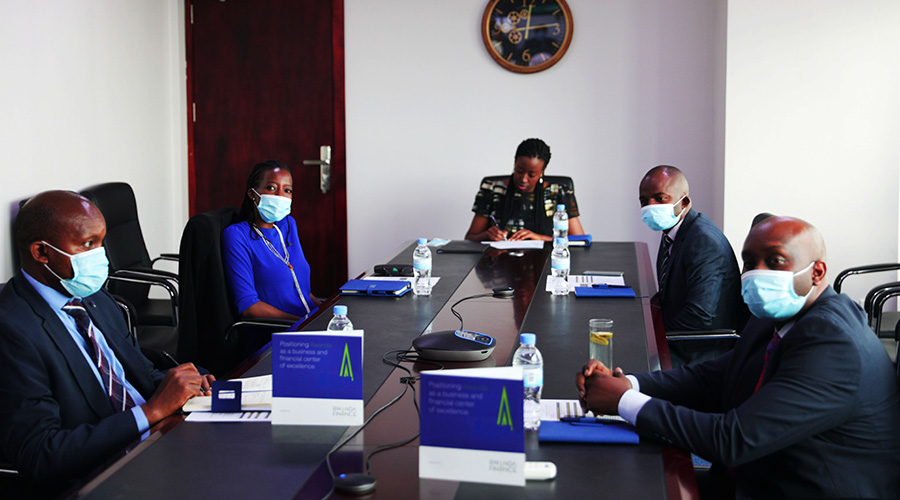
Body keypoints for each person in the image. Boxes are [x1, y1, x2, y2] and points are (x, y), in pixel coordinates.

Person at [576, 216, 900, 499]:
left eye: (775, 261)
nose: (756, 274)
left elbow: (731, 440)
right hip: (753, 478)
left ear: (817, 272)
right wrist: (626, 382)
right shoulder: (775, 317)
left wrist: (624, 401)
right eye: (749, 261)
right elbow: (711, 378)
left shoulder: (834, 344)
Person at [0, 191, 214, 487]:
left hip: (161, 439)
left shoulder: (93, 297)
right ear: (41, 252)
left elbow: (136, 374)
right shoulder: (11, 328)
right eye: (88, 244)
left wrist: (185, 384)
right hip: (107, 473)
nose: (101, 256)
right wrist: (151, 411)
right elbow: (40, 454)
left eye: (101, 242)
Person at [639, 165, 747, 333]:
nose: (650, 206)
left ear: (684, 202)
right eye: (644, 202)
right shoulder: (674, 230)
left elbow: (699, 316)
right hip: (677, 332)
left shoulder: (703, 242)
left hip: (697, 347)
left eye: (660, 199)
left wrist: (653, 336)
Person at [223, 160, 320, 321]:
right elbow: (248, 306)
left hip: (306, 324)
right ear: (252, 193)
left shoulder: (288, 225)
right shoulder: (237, 235)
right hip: (275, 332)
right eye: (271, 188)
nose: (280, 196)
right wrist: (303, 323)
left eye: (287, 190)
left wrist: (324, 312)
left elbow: (298, 287)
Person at [465, 138, 585, 241]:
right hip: (499, 264)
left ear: (543, 170)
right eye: (519, 171)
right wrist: (487, 234)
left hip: (547, 264)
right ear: (514, 162)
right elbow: (470, 238)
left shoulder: (560, 192)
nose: (523, 179)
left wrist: (539, 238)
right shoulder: (492, 189)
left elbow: (580, 240)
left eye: (531, 175)